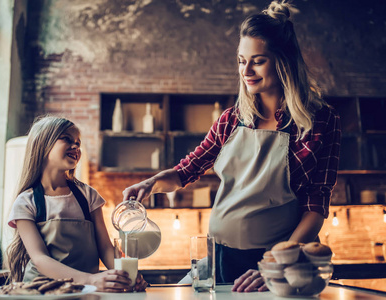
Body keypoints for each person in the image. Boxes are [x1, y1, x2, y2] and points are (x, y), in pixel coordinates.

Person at [122, 0, 341, 293]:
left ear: (284, 60)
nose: (246, 70)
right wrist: (151, 184)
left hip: (269, 262)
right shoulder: (232, 119)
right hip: (218, 256)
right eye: (241, 60)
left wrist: (274, 264)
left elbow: (316, 204)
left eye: (258, 60)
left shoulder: (321, 121)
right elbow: (187, 170)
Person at [6, 115, 148, 292]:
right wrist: (91, 280)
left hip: (83, 292)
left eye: (78, 143)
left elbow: (104, 247)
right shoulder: (26, 202)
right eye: (67, 139)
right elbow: (40, 259)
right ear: (42, 144)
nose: (76, 146)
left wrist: (128, 276)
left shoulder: (88, 196)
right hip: (41, 292)